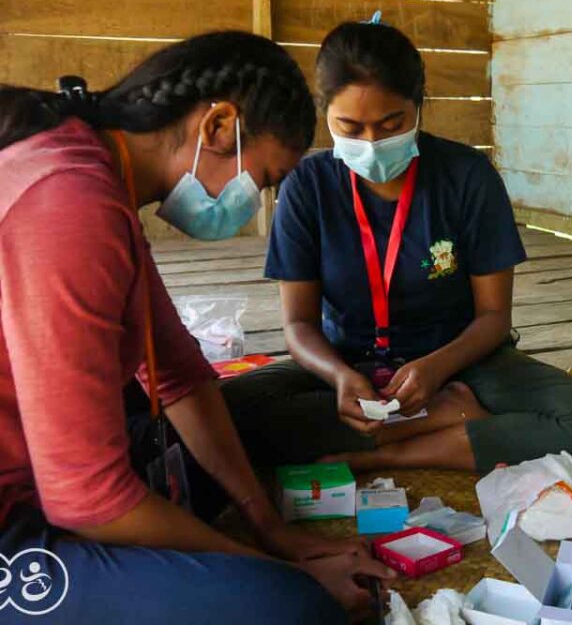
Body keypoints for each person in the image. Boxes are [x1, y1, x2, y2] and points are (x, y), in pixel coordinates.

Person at [0, 32, 393, 624]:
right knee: (290, 610)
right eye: (262, 179)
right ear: (217, 127)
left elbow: (180, 374)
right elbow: (85, 496)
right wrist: (280, 572)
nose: (253, 199)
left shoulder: (96, 178)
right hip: (19, 512)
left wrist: (267, 527)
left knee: (226, 440)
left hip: (37, 465)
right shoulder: (69, 203)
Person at [220, 20, 572, 473]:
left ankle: (391, 447)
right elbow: (299, 325)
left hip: (462, 363)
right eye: (350, 127)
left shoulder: (467, 176)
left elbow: (494, 319)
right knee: (219, 413)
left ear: (418, 105)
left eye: (391, 123)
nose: (372, 144)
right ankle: (444, 422)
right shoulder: (308, 186)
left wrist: (437, 370)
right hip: (348, 367)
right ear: (325, 115)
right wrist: (340, 376)